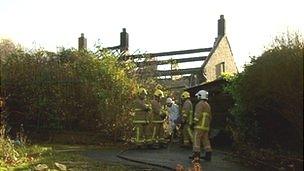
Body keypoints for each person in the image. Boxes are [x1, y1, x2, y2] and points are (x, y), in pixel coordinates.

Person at [190, 90, 212, 162]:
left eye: (198, 96)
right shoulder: (208, 105)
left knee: (196, 140)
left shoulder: (199, 104)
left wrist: (193, 123)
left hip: (199, 126)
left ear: (200, 96)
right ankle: (208, 155)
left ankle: (196, 156)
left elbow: (197, 115)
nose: (197, 98)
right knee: (206, 140)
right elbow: (210, 117)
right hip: (206, 127)